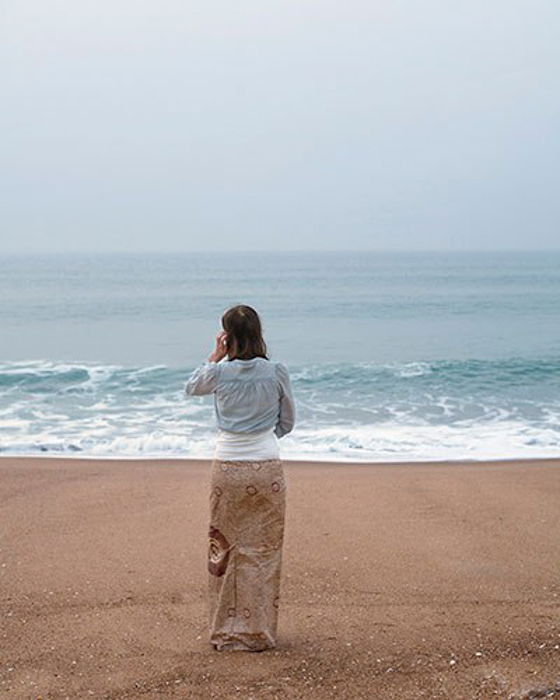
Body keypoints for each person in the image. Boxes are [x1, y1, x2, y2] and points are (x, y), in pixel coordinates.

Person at [185, 304, 296, 652]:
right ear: (259, 333)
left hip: (227, 469)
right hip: (266, 468)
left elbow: (192, 387)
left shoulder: (218, 374)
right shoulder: (276, 371)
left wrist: (215, 355)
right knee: (264, 551)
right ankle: (258, 634)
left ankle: (226, 633)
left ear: (228, 336)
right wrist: (262, 439)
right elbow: (288, 422)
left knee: (225, 549)